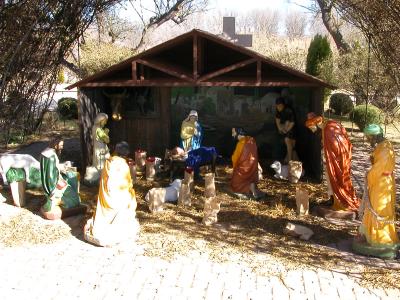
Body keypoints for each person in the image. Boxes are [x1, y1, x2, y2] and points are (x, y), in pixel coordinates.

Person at [353, 124, 399, 258]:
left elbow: (378, 169)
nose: (368, 140)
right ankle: (370, 234)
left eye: (369, 137)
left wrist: (368, 175)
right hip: (378, 183)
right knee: (372, 207)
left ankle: (381, 239)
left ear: (375, 136)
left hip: (382, 184)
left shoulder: (386, 149)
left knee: (379, 209)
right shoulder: (381, 146)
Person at [84, 141, 139, 247]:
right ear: (126, 154)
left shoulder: (108, 162)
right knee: (131, 201)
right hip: (118, 199)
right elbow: (126, 185)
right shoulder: (123, 165)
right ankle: (120, 227)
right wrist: (131, 191)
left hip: (106, 199)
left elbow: (106, 182)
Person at [305, 113, 360, 212]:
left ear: (317, 123)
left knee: (336, 177)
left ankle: (339, 200)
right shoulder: (330, 125)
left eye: (312, 127)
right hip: (339, 157)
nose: (313, 130)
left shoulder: (328, 130)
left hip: (338, 159)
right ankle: (332, 198)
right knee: (330, 177)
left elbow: (335, 145)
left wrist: (331, 156)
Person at [40, 135, 83, 220]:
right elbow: (51, 175)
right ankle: (57, 201)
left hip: (51, 183)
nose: (62, 147)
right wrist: (52, 191)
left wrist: (62, 166)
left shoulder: (46, 153)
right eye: (61, 145)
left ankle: (57, 199)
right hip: (54, 185)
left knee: (72, 176)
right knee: (75, 199)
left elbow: (52, 169)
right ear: (55, 145)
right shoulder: (51, 156)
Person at [231, 127, 265, 200]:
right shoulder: (252, 140)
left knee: (235, 183)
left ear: (238, 133)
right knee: (250, 178)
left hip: (243, 168)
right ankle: (253, 190)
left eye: (233, 133)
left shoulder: (241, 143)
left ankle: (247, 189)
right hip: (253, 166)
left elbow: (235, 158)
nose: (232, 135)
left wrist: (234, 162)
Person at [275, 97, 298, 163]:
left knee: (289, 142)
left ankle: (290, 160)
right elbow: (277, 121)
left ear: (283, 105)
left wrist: (286, 130)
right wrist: (280, 128)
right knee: (292, 146)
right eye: (277, 106)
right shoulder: (278, 112)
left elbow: (292, 122)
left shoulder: (289, 110)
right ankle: (289, 160)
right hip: (284, 129)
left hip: (292, 129)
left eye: (280, 106)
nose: (279, 107)